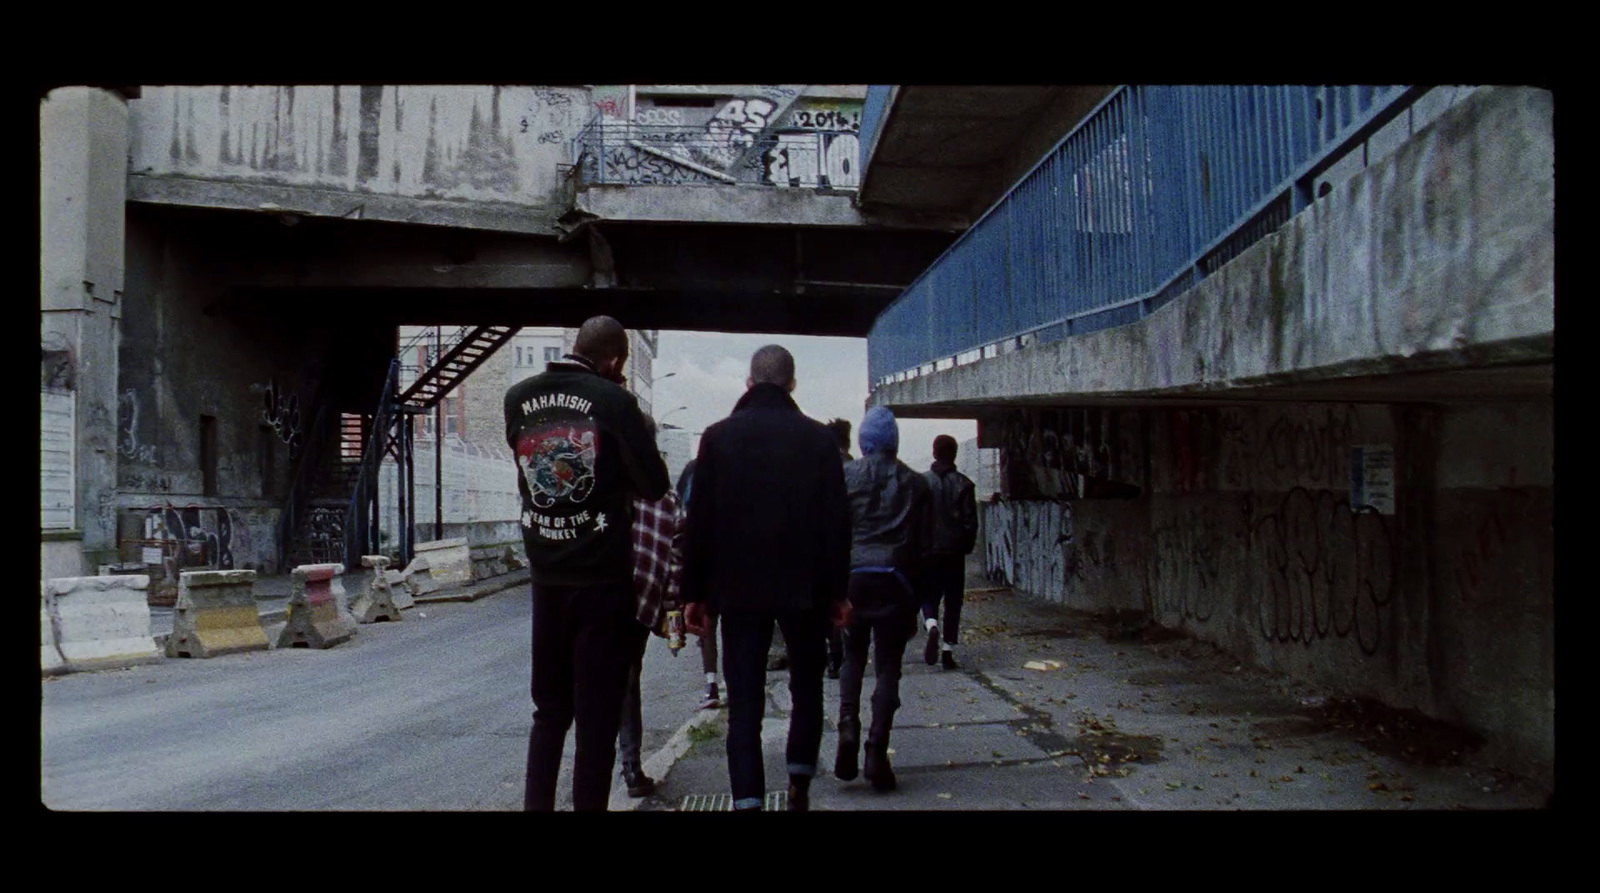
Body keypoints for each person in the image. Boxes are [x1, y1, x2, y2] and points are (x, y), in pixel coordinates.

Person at [505, 315, 670, 812]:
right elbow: (654, 485)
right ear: (616, 361)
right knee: (597, 718)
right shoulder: (617, 403)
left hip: (547, 578)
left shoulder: (518, 398)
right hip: (603, 580)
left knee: (549, 713)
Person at [680, 345, 851, 811]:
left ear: (749, 384)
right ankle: (798, 778)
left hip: (739, 592)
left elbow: (700, 523)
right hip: (806, 589)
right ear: (792, 384)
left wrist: (693, 594)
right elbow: (837, 523)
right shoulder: (819, 441)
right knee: (807, 688)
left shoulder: (718, 438)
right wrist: (837, 592)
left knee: (745, 704)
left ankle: (749, 800)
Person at [834, 407, 933, 793]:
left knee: (853, 655)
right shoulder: (916, 482)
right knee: (889, 665)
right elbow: (926, 546)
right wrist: (920, 599)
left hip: (854, 579)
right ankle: (877, 750)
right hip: (896, 581)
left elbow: (834, 534)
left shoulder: (844, 476)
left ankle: (847, 726)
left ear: (863, 441)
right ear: (893, 442)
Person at [617, 417, 688, 799]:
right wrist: (672, 617)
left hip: (600, 597)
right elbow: (676, 565)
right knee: (629, 682)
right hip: (642, 603)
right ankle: (630, 766)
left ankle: (609, 768)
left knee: (599, 683)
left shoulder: (607, 484)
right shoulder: (668, 498)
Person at [920, 434, 979, 669]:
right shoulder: (965, 484)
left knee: (928, 594)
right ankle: (947, 649)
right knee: (954, 601)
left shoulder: (922, 483)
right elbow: (970, 523)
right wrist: (965, 547)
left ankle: (931, 624)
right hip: (954, 552)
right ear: (954, 454)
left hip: (929, 552)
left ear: (934, 453)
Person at [677, 457, 722, 711]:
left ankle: (712, 684)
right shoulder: (729, 467)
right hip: (729, 555)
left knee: (708, 624)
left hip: (702, 555)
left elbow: (682, 510)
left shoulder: (691, 469)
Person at [823, 418, 854, 679]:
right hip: (851, 544)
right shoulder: (853, 467)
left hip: (822, 545)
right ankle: (839, 655)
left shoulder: (820, 468)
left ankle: (831, 657)